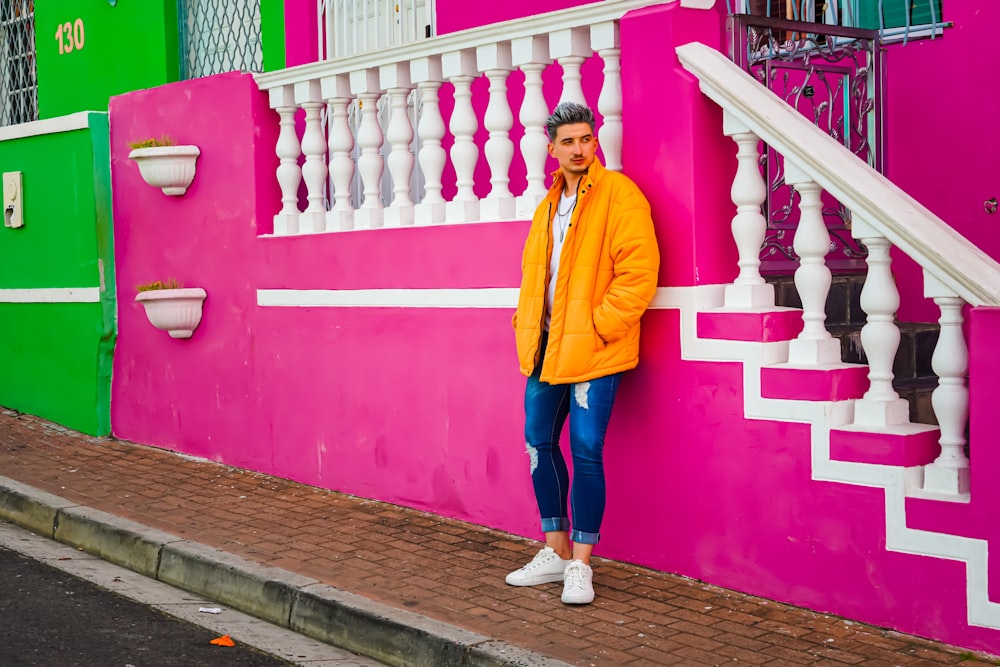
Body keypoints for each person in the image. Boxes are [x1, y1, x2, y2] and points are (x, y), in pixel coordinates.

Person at [507, 102, 660, 605]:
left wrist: (597, 328)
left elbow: (638, 277)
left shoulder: (620, 196)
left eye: (585, 139)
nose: (578, 149)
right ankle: (553, 550)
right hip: (546, 348)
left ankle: (580, 563)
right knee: (538, 443)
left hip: (595, 350)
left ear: (595, 143)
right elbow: (536, 277)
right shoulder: (547, 205)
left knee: (587, 449)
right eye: (568, 141)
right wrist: (524, 325)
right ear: (551, 148)